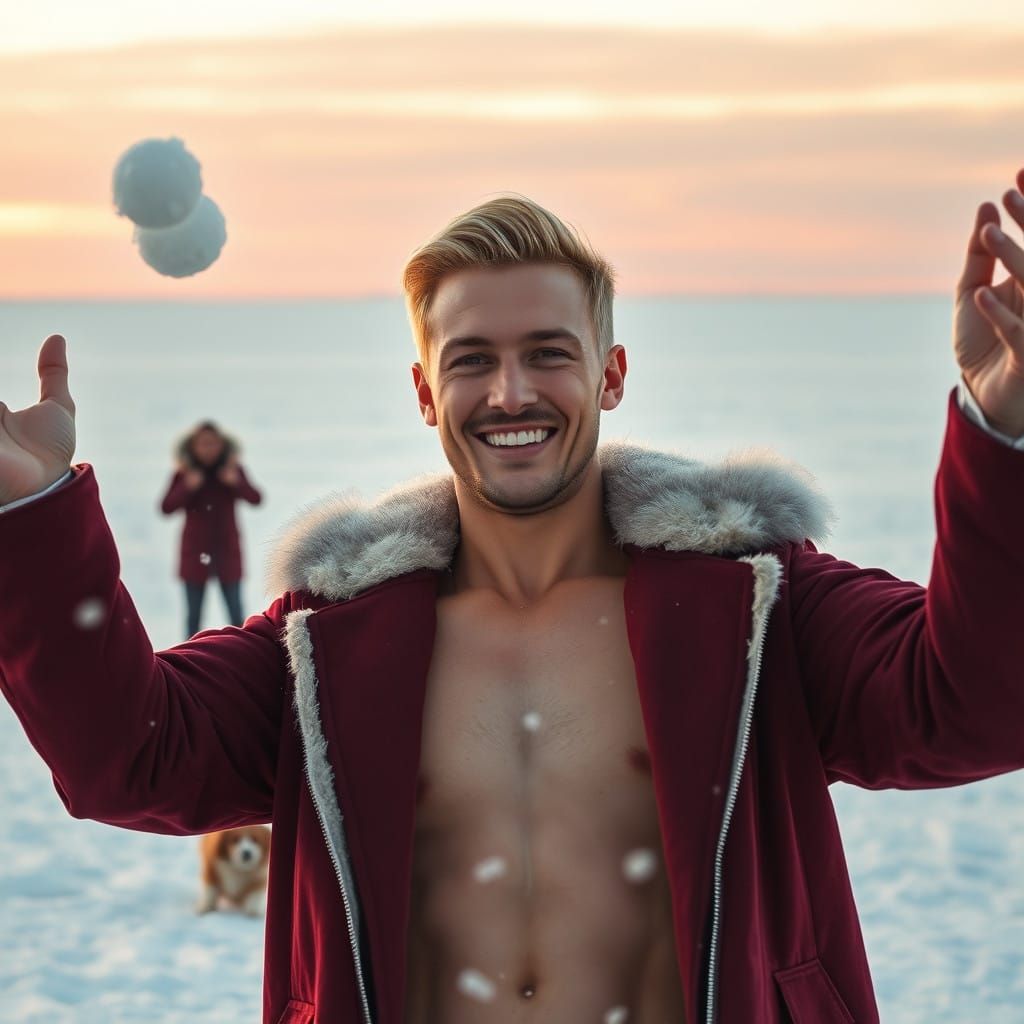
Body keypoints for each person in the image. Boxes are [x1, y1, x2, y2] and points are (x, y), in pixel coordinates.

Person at [0, 170, 1023, 1024]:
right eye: (472, 361)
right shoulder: (327, 647)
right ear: (423, 393)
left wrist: (1002, 435)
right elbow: (127, 758)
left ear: (610, 372)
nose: (510, 394)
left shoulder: (757, 606)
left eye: (548, 353)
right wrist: (34, 512)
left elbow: (968, 707)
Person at [159, 420, 262, 638]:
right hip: (195, 555)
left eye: (213, 444)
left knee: (236, 616)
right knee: (193, 619)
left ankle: (243, 659)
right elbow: (166, 507)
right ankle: (186, 663)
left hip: (228, 553)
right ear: (193, 447)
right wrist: (187, 487)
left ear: (222, 445)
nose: (208, 449)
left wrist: (236, 483)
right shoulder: (184, 474)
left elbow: (256, 498)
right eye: (203, 444)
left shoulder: (232, 470)